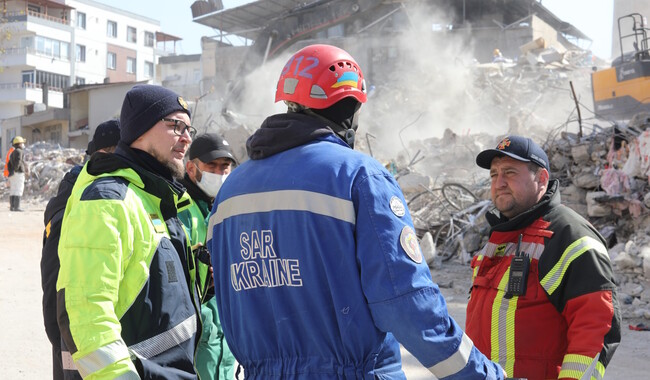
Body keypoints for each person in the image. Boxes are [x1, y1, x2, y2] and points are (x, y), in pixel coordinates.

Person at [207, 44, 504, 379]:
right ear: (349, 108)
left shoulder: (230, 191)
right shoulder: (359, 177)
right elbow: (407, 304)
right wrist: (483, 375)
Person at [56, 85, 201, 379]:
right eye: (176, 126)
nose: (186, 138)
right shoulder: (108, 200)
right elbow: (86, 311)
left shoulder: (155, 198)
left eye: (189, 129)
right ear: (140, 130)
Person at [467, 135, 621, 379]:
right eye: (494, 174)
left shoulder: (570, 236)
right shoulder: (501, 236)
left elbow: (595, 330)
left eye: (510, 172)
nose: (499, 183)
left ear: (541, 179)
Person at [41, 119, 120, 380]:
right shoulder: (80, 198)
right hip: (75, 339)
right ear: (103, 154)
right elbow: (55, 277)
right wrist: (60, 336)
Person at [178, 133, 237, 379]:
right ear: (191, 168)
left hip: (224, 334)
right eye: (211, 166)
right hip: (194, 333)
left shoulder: (229, 208)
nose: (219, 173)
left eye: (225, 167)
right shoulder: (179, 209)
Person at [6, 135, 29, 211]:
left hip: (12, 174)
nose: (23, 144)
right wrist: (16, 169)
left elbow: (9, 163)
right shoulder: (19, 151)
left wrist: (12, 171)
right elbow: (18, 162)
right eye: (22, 143)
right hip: (18, 173)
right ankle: (17, 207)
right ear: (19, 144)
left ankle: (12, 207)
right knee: (18, 189)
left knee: (13, 190)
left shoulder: (12, 152)